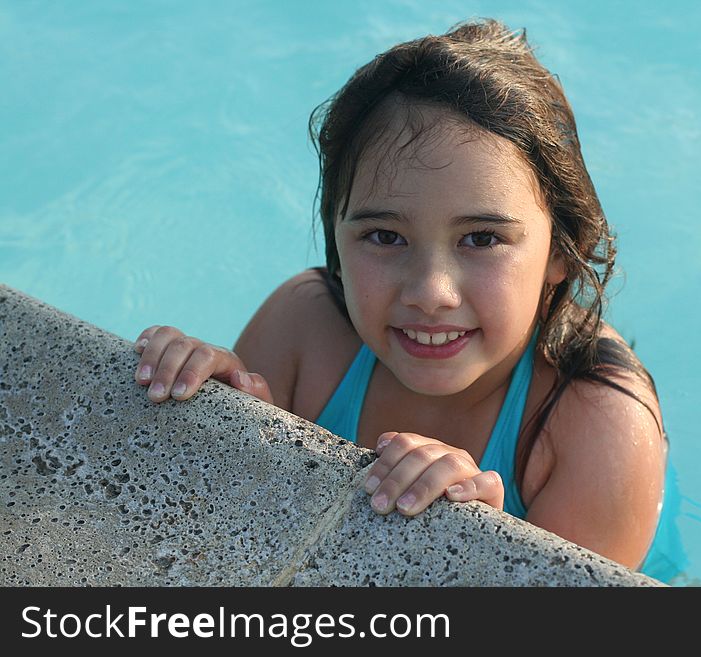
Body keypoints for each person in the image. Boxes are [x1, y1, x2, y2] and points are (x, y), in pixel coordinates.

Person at [132, 19, 669, 574]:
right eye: (385, 237)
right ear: (337, 237)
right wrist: (215, 418)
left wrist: (486, 559)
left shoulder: (599, 423)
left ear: (563, 249)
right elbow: (214, 554)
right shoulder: (304, 327)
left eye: (481, 239)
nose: (431, 293)